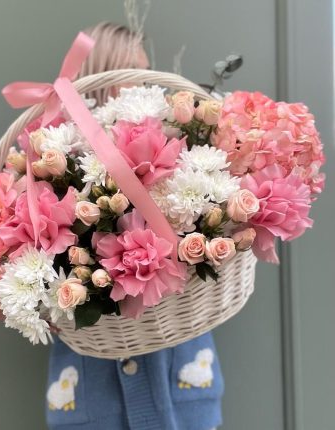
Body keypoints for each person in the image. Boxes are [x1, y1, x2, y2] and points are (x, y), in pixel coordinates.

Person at [45, 22, 224, 430]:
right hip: (92, 399)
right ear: (100, 76)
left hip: (184, 389)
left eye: (144, 73)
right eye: (129, 73)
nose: (142, 87)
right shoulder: (57, 165)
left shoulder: (175, 152)